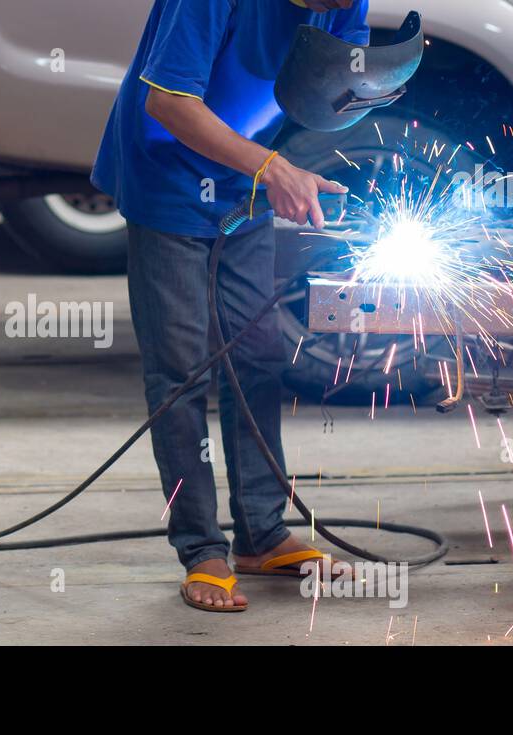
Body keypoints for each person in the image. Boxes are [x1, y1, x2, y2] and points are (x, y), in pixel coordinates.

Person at [91, 0, 368, 612]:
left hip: (244, 187)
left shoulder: (347, 0)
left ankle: (261, 534)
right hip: (167, 176)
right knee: (181, 369)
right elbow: (166, 103)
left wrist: (373, 87)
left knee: (258, 354)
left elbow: (330, 92)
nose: (346, 5)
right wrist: (272, 167)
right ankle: (200, 549)